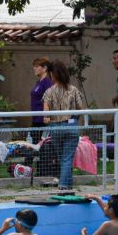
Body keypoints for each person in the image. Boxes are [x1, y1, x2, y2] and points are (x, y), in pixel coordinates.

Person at [42, 59, 86, 190]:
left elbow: (46, 116)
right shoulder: (73, 90)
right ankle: (65, 185)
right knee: (67, 158)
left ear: (52, 74)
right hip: (71, 126)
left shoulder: (49, 92)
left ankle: (64, 185)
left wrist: (50, 118)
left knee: (63, 158)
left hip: (55, 127)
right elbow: (81, 109)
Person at [29, 57, 53, 140]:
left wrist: (47, 116)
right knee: (34, 142)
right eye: (34, 66)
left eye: (37, 66)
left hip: (43, 120)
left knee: (41, 144)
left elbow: (50, 100)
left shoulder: (47, 82)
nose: (34, 68)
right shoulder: (39, 82)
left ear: (45, 68)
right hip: (36, 118)